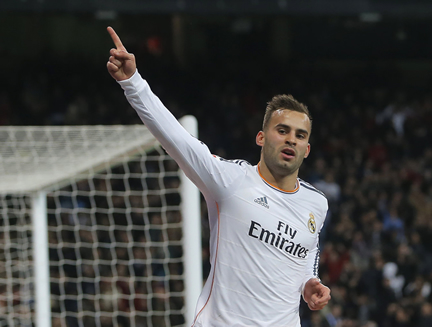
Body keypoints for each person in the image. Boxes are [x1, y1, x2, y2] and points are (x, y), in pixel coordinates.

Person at [106, 26, 331, 327]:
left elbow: (306, 257)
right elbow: (176, 138)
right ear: (261, 138)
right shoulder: (231, 180)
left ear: (307, 148)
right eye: (283, 130)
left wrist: (309, 283)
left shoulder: (316, 204)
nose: (291, 139)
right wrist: (133, 83)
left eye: (300, 135)